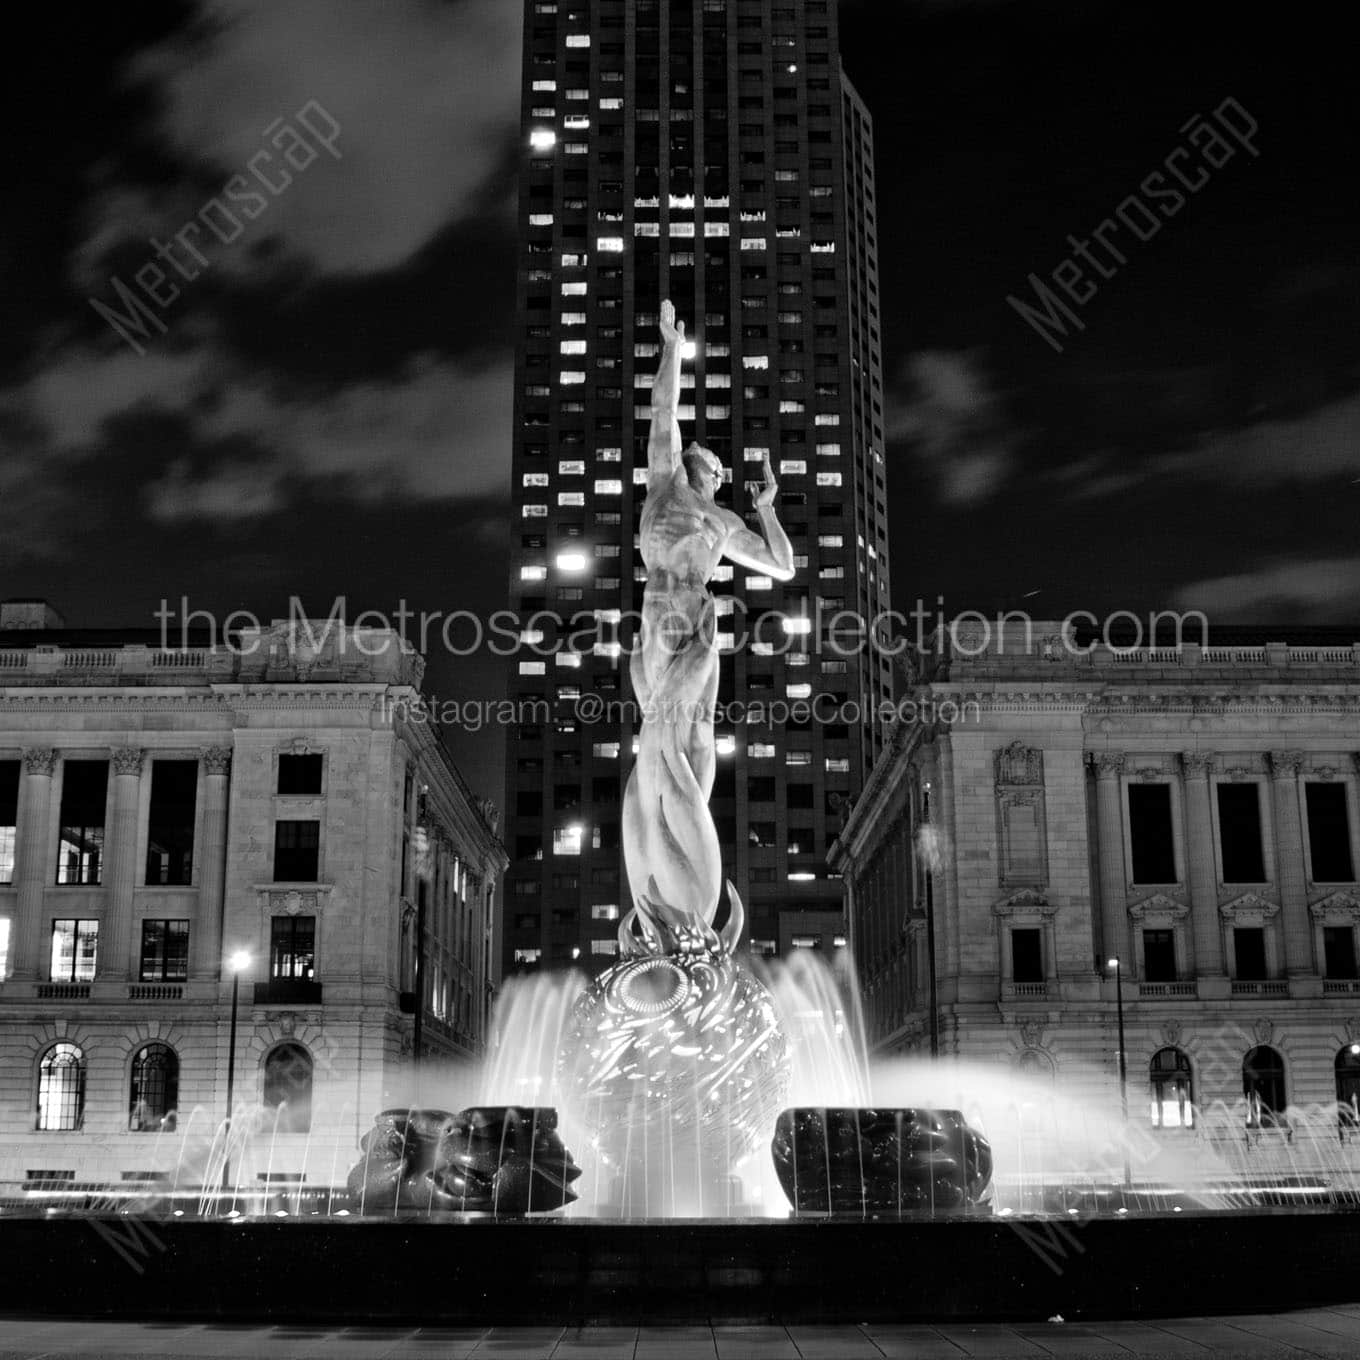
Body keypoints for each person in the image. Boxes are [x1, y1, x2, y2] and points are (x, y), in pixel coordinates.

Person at [621, 300, 796, 950]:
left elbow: (780, 564)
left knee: (687, 743)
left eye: (711, 462)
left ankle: (691, 924)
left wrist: (768, 510)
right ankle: (658, 916)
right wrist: (672, 348)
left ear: (718, 477)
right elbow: (661, 414)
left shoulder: (720, 521)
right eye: (699, 456)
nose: (702, 460)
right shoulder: (663, 486)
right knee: (651, 756)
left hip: (694, 618)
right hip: (652, 622)